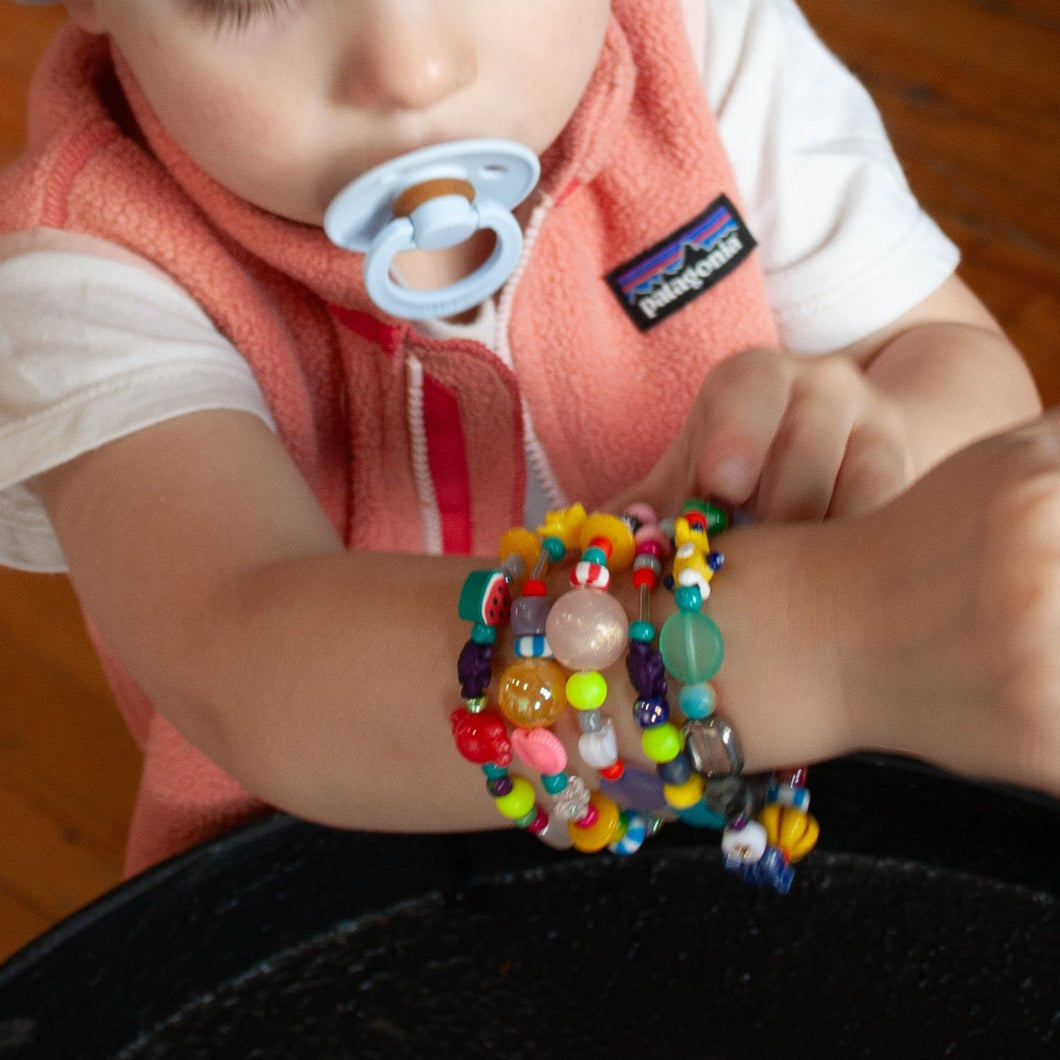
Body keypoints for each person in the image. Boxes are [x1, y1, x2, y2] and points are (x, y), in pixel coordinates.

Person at [0, 0, 1052, 876]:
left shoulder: (700, 42)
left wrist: (883, 450)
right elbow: (247, 654)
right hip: (345, 890)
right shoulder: (84, 266)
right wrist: (838, 632)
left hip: (767, 812)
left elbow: (944, 360)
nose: (412, 67)